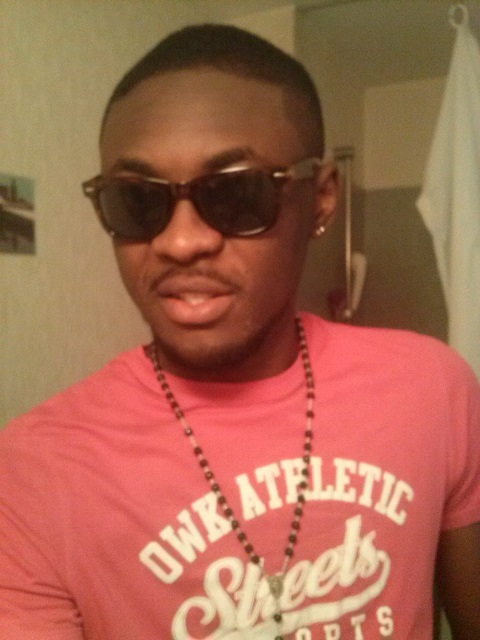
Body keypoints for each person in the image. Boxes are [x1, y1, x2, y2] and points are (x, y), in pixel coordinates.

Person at [0, 23, 479, 640]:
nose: (180, 241)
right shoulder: (33, 473)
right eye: (136, 201)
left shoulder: (432, 388)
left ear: (321, 198)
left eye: (236, 193)